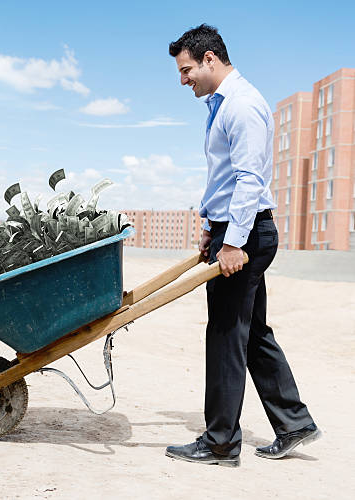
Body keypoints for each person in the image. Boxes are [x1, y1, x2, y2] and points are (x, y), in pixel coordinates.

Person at [165, 24, 320, 467]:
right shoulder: (222, 105)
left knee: (226, 334)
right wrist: (213, 229)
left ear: (210, 58)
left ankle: (220, 443)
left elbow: (251, 179)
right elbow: (227, 178)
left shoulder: (243, 105)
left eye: (187, 69)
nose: (184, 80)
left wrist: (232, 243)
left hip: (246, 235)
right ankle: (293, 423)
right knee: (251, 335)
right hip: (235, 230)